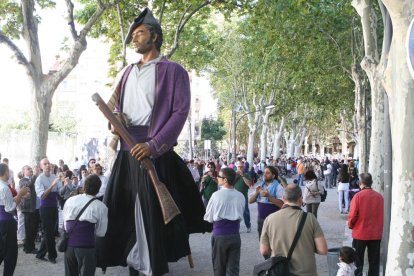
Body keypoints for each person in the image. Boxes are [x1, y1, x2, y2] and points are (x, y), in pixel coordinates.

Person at [96, 8, 209, 276]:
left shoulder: (174, 71)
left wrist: (154, 145)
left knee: (152, 216)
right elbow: (114, 112)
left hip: (153, 152)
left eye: (140, 33)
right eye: (133, 35)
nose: (135, 39)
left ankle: (152, 268)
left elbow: (180, 112)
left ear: (155, 37)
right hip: (126, 150)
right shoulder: (125, 73)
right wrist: (116, 119)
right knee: (122, 214)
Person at [260, 184, 328, 275]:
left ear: (283, 198)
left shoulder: (269, 219)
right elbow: (322, 250)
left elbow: (264, 250)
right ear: (300, 199)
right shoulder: (310, 218)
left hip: (280, 272)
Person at [63, 175, 108, 276]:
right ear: (98, 189)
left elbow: (65, 224)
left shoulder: (70, 200)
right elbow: (101, 233)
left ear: (84, 186)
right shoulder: (101, 207)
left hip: (69, 247)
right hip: (87, 247)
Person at [204, 168, 245, 276]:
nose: (217, 178)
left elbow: (209, 217)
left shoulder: (216, 195)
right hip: (235, 235)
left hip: (220, 235)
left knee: (219, 268)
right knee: (233, 269)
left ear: (225, 180)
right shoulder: (240, 196)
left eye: (219, 176)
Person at [348, 173, 383, 276]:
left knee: (358, 261)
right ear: (371, 182)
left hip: (360, 233)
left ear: (360, 183)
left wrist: (351, 225)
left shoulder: (358, 196)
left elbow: (353, 215)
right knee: (374, 262)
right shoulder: (379, 197)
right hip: (375, 234)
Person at [0, 163, 30, 275]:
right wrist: (20, 194)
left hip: (3, 221)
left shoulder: (2, 185)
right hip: (6, 222)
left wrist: (18, 196)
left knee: (3, 250)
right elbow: (10, 208)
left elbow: (5, 202)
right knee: (11, 253)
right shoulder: (3, 187)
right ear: (6, 172)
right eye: (9, 171)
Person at [34, 158, 62, 264]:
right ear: (41, 167)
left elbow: (61, 191)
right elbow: (43, 196)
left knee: (49, 233)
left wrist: (66, 184)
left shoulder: (54, 176)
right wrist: (52, 185)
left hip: (54, 207)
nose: (47, 165)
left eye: (48, 163)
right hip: (45, 208)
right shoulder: (39, 179)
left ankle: (40, 254)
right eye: (45, 164)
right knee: (49, 233)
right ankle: (52, 255)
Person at [248, 166, 284, 243]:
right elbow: (250, 201)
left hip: (274, 220)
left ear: (273, 175)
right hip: (261, 219)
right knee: (262, 241)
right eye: (264, 173)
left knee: (273, 241)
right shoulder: (260, 186)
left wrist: (269, 196)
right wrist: (257, 193)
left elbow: (282, 204)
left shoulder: (278, 187)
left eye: (267, 173)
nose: (265, 174)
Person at [18, 165, 40, 254]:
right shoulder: (22, 181)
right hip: (28, 209)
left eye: (31, 168)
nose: (31, 170)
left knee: (34, 229)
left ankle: (29, 246)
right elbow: (28, 185)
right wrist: (35, 175)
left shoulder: (33, 179)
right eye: (28, 169)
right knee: (29, 229)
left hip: (35, 208)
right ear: (23, 172)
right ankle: (29, 248)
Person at [234, 161, 251, 232]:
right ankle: (236, 227)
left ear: (244, 167)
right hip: (234, 196)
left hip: (243, 196)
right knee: (235, 212)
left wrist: (242, 176)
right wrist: (237, 175)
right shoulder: (234, 174)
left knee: (245, 212)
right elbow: (230, 183)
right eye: (239, 167)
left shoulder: (246, 175)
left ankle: (248, 225)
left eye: (241, 167)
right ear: (236, 167)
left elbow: (248, 184)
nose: (240, 168)